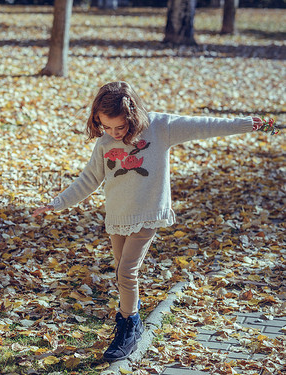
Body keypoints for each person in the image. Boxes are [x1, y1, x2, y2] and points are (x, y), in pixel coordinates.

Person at [32, 81, 263, 362]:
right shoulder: (105, 144)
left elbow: (204, 124)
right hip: (118, 216)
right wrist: (56, 203)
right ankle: (132, 316)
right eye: (107, 127)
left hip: (147, 213)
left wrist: (246, 124)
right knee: (120, 270)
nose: (114, 133)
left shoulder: (160, 127)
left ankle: (129, 327)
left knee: (126, 272)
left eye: (120, 127)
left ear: (133, 116)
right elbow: (88, 180)